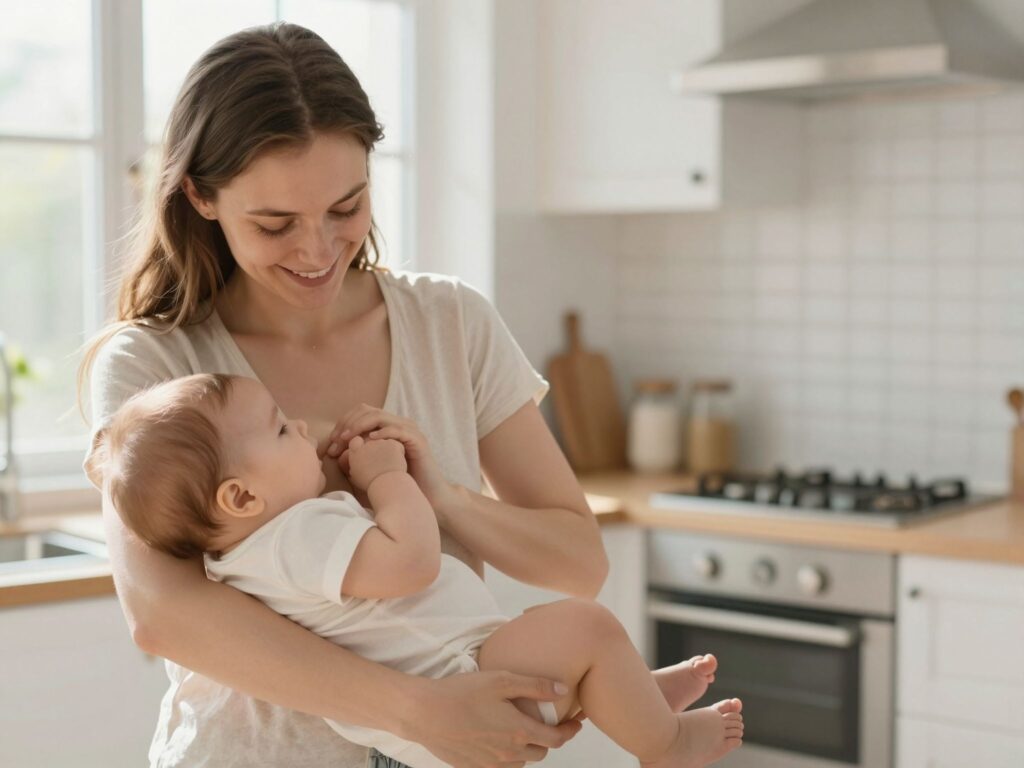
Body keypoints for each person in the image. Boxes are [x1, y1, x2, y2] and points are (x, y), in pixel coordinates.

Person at [79, 20, 609, 768]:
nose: (319, 250)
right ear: (200, 195)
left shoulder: (449, 322)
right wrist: (419, 713)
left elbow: (578, 564)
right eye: (275, 224)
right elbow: (164, 615)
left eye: (345, 208)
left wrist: (442, 496)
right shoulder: (156, 363)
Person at [88, 372, 744, 768]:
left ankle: (632, 696)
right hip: (460, 678)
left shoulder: (258, 550)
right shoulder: (296, 537)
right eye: (281, 431)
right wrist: (387, 479)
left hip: (453, 679)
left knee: (581, 651)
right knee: (587, 628)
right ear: (240, 498)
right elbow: (409, 562)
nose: (300, 424)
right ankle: (665, 744)